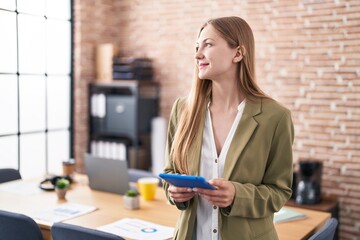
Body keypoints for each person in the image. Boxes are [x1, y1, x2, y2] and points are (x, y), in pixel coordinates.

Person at [162, 16, 294, 240]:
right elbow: (170, 175)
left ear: (238, 53)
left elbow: (279, 193)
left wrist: (237, 195)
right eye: (197, 46)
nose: (197, 54)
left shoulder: (276, 117)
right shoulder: (182, 109)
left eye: (208, 44)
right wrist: (174, 192)